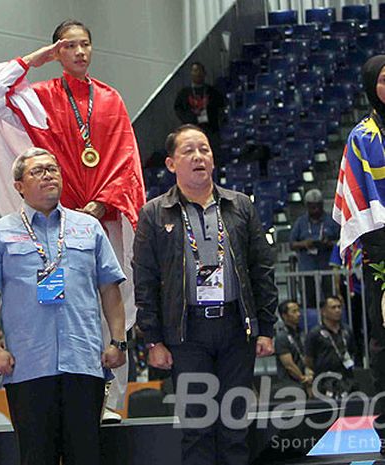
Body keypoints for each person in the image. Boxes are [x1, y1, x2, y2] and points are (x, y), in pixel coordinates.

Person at [0, 18, 145, 422]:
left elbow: (125, 158)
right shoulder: (40, 97)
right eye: (69, 46)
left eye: (85, 44)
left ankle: (110, 400)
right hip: (53, 223)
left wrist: (102, 205)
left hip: (103, 218)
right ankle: (58, 390)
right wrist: (38, 59)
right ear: (57, 52)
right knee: (61, 310)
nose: (80, 52)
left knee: (112, 305)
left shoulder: (110, 98)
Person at [0, 147, 127, 465]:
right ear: (19, 185)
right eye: (37, 171)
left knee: (85, 455)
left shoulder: (88, 227)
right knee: (35, 456)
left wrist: (118, 339)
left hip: (84, 361)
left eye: (53, 169)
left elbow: (109, 287)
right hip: (28, 365)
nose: (48, 175)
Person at [134, 124, 277, 465]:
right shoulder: (155, 213)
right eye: (189, 151)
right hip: (186, 333)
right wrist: (153, 340)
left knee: (235, 424)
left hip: (234, 328)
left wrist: (267, 328)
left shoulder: (239, 205)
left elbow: (262, 269)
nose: (198, 157)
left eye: (205, 150)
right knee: (197, 427)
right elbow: (145, 280)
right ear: (171, 164)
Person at [333, 55, 385, 405]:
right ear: (371, 85)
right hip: (382, 252)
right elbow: (357, 203)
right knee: (384, 340)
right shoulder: (362, 137)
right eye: (384, 79)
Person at [290, 188, 340, 307]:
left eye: (318, 206)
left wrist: (329, 243)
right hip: (307, 266)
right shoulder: (301, 222)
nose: (316, 209)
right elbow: (292, 243)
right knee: (308, 297)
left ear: (322, 204)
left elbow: (342, 240)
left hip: (327, 265)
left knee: (330, 296)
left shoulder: (331, 220)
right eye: (312, 207)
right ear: (307, 206)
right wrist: (305, 243)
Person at [305, 296, 357, 398]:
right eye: (333, 307)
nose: (338, 310)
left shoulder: (346, 330)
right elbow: (309, 359)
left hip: (346, 378)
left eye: (339, 307)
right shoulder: (315, 333)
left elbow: (352, 350)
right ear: (323, 311)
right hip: (324, 379)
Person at [174, 62, 225, 145]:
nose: (197, 73)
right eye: (194, 71)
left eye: (199, 71)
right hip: (191, 130)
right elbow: (178, 109)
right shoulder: (184, 93)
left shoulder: (213, 92)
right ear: (191, 74)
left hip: (211, 129)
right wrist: (187, 119)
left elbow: (221, 106)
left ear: (204, 73)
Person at [274, 300, 313, 394]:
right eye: (294, 311)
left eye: (298, 311)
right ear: (284, 315)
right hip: (289, 382)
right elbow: (289, 365)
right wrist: (303, 378)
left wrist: (310, 373)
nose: (299, 314)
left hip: (307, 376)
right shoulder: (281, 337)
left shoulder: (302, 333)